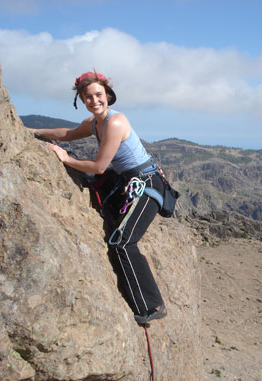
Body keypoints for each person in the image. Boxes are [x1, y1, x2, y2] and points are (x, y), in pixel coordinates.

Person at [32, 71, 167, 324]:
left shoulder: (115, 122)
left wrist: (66, 158)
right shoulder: (94, 123)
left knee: (122, 242)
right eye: (88, 97)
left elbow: (99, 167)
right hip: (128, 180)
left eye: (98, 95)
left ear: (108, 95)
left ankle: (152, 305)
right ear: (82, 100)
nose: (94, 100)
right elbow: (68, 133)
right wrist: (35, 130)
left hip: (147, 184)